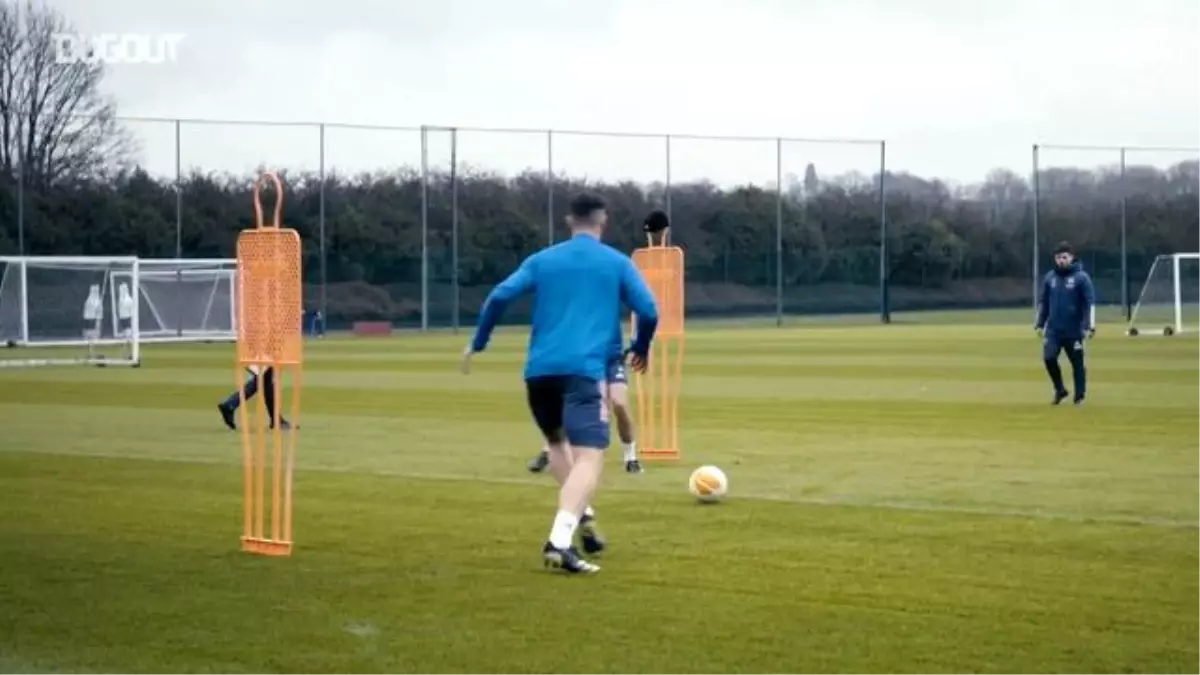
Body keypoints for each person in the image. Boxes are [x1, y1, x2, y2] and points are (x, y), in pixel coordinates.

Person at [462, 192, 659, 575]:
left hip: (539, 372)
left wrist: (480, 342)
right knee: (590, 455)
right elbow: (649, 310)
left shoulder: (543, 260)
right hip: (582, 371)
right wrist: (641, 347)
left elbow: (499, 295)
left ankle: (580, 514)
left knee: (556, 443)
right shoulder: (616, 263)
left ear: (570, 221)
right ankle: (559, 541)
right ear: (603, 221)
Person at [526, 320, 643, 475]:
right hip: (584, 357)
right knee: (566, 400)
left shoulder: (613, 296)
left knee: (619, 402)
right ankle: (549, 450)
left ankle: (631, 457)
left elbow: (641, 310)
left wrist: (638, 345)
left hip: (611, 358)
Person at [1035, 241, 1096, 405]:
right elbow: (1044, 302)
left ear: (1071, 257)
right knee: (1048, 358)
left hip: (1074, 330)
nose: (1061, 260)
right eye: (1058, 257)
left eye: (1064, 257)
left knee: (1077, 363)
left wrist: (1089, 326)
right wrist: (1040, 323)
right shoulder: (1050, 277)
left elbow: (1089, 303)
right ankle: (1060, 389)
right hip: (1054, 330)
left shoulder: (1081, 278)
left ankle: (1080, 396)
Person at [217, 366, 294, 430]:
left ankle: (276, 420)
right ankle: (230, 404)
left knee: (265, 379)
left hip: (256, 351)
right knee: (265, 377)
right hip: (261, 351)